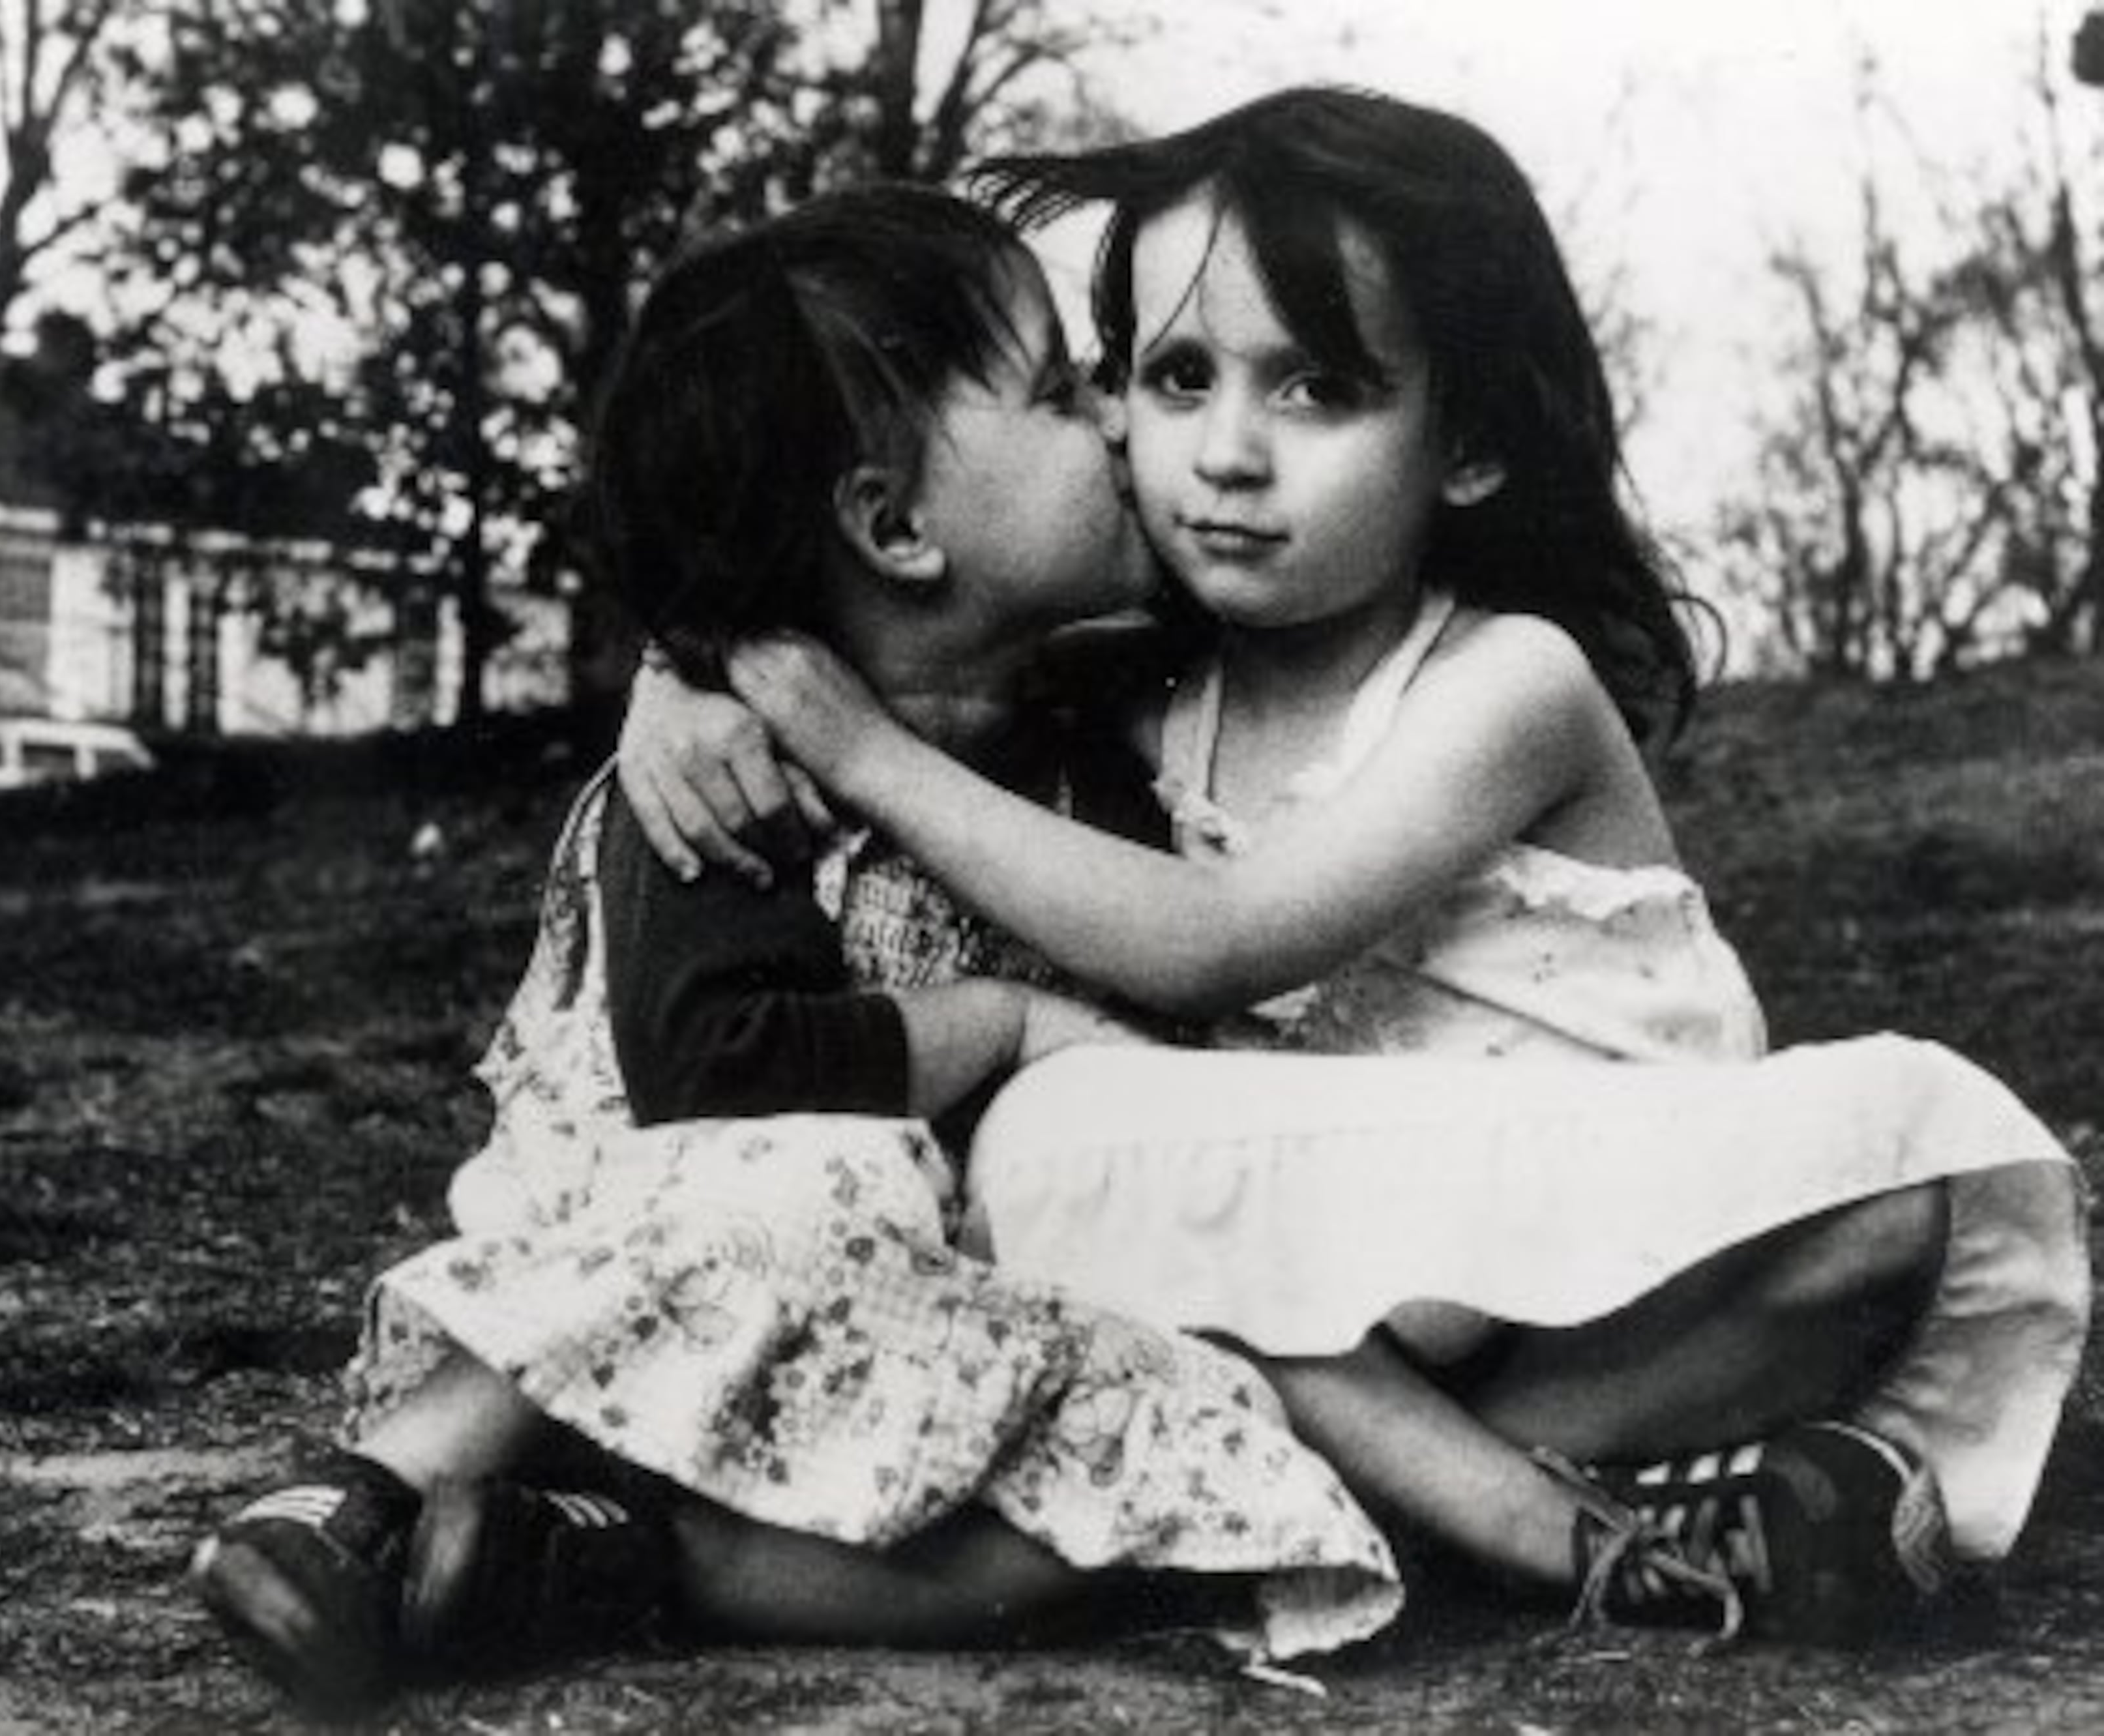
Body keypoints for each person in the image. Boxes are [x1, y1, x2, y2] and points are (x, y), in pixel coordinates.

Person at [623, 86, 2088, 1643]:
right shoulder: (1134, 677)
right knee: (1057, 1140)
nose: (1225, 456)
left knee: (1906, 1154)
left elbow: (1219, 941)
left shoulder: (1510, 683)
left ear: (1464, 449)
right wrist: (690, 675)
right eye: (1176, 378)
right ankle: (1561, 1521)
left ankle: (1402, 1499)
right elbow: (884, 612)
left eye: (1317, 391)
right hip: (1330, 1291)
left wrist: (855, 753)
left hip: (1607, 1256)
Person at [187, 183, 1408, 1722]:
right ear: (895, 528)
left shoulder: (1105, 721)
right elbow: (723, 1073)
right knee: (809, 1178)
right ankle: (357, 1497)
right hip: (645, 1302)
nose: (1121, 424)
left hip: (926, 1343)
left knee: (1197, 1473)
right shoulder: (740, 777)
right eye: (1061, 391)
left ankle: (592, 1567)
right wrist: (1008, 1026)